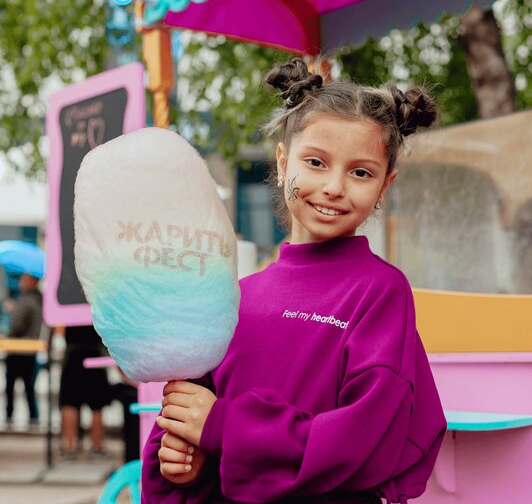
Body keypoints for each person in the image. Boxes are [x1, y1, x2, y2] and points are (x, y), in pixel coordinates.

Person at [141, 58, 447, 503]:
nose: (334, 187)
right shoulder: (235, 298)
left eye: (361, 172)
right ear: (283, 163)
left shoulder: (380, 291)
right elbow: (190, 426)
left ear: (385, 185)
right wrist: (183, 462)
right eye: (316, 162)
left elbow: (365, 436)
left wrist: (226, 427)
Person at [59, 324, 111, 459]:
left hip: (72, 354)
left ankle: (69, 448)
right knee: (97, 405)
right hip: (94, 354)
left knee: (70, 404)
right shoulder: (98, 303)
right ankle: (97, 448)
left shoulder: (68, 303)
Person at [4, 273, 42, 426]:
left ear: (32, 281)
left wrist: (14, 312)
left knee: (11, 388)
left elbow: (17, 326)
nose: (20, 281)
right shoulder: (40, 300)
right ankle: (34, 418)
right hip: (31, 352)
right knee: (29, 388)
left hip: (17, 350)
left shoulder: (25, 300)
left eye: (23, 278)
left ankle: (9, 418)